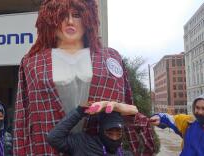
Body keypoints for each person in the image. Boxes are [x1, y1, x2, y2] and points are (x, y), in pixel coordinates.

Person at [13, 0, 155, 155]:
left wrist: (125, 111)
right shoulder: (32, 62)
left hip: (97, 149)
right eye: (62, 16)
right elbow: (23, 119)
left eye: (76, 15)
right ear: (48, 20)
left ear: (89, 17)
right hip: (48, 149)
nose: (70, 21)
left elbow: (127, 108)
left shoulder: (110, 57)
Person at [47, 101, 136, 156]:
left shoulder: (125, 154)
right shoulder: (83, 144)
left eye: (118, 134)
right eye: (109, 133)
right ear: (101, 131)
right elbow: (54, 138)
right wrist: (78, 112)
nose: (114, 138)